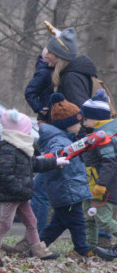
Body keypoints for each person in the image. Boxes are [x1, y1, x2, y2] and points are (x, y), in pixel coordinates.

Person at [0, 109, 62, 260]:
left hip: (21, 195)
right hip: (11, 195)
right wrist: (19, 189)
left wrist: (56, 162)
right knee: (5, 223)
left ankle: (37, 250)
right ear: (19, 132)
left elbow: (36, 164)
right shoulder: (7, 149)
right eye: (27, 131)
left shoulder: (23, 149)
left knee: (32, 222)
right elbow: (5, 175)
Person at [35, 94, 98, 259]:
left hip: (68, 190)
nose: (80, 125)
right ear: (67, 124)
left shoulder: (67, 139)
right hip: (67, 191)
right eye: (77, 122)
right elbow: (56, 155)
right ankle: (82, 249)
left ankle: (38, 246)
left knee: (58, 224)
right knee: (77, 222)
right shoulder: (58, 141)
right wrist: (58, 158)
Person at [79, 91, 117, 259]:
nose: (84, 122)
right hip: (90, 185)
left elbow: (110, 162)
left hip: (104, 187)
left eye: (86, 118)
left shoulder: (104, 137)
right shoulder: (92, 135)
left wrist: (101, 184)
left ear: (96, 118)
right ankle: (91, 249)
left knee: (103, 220)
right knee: (88, 217)